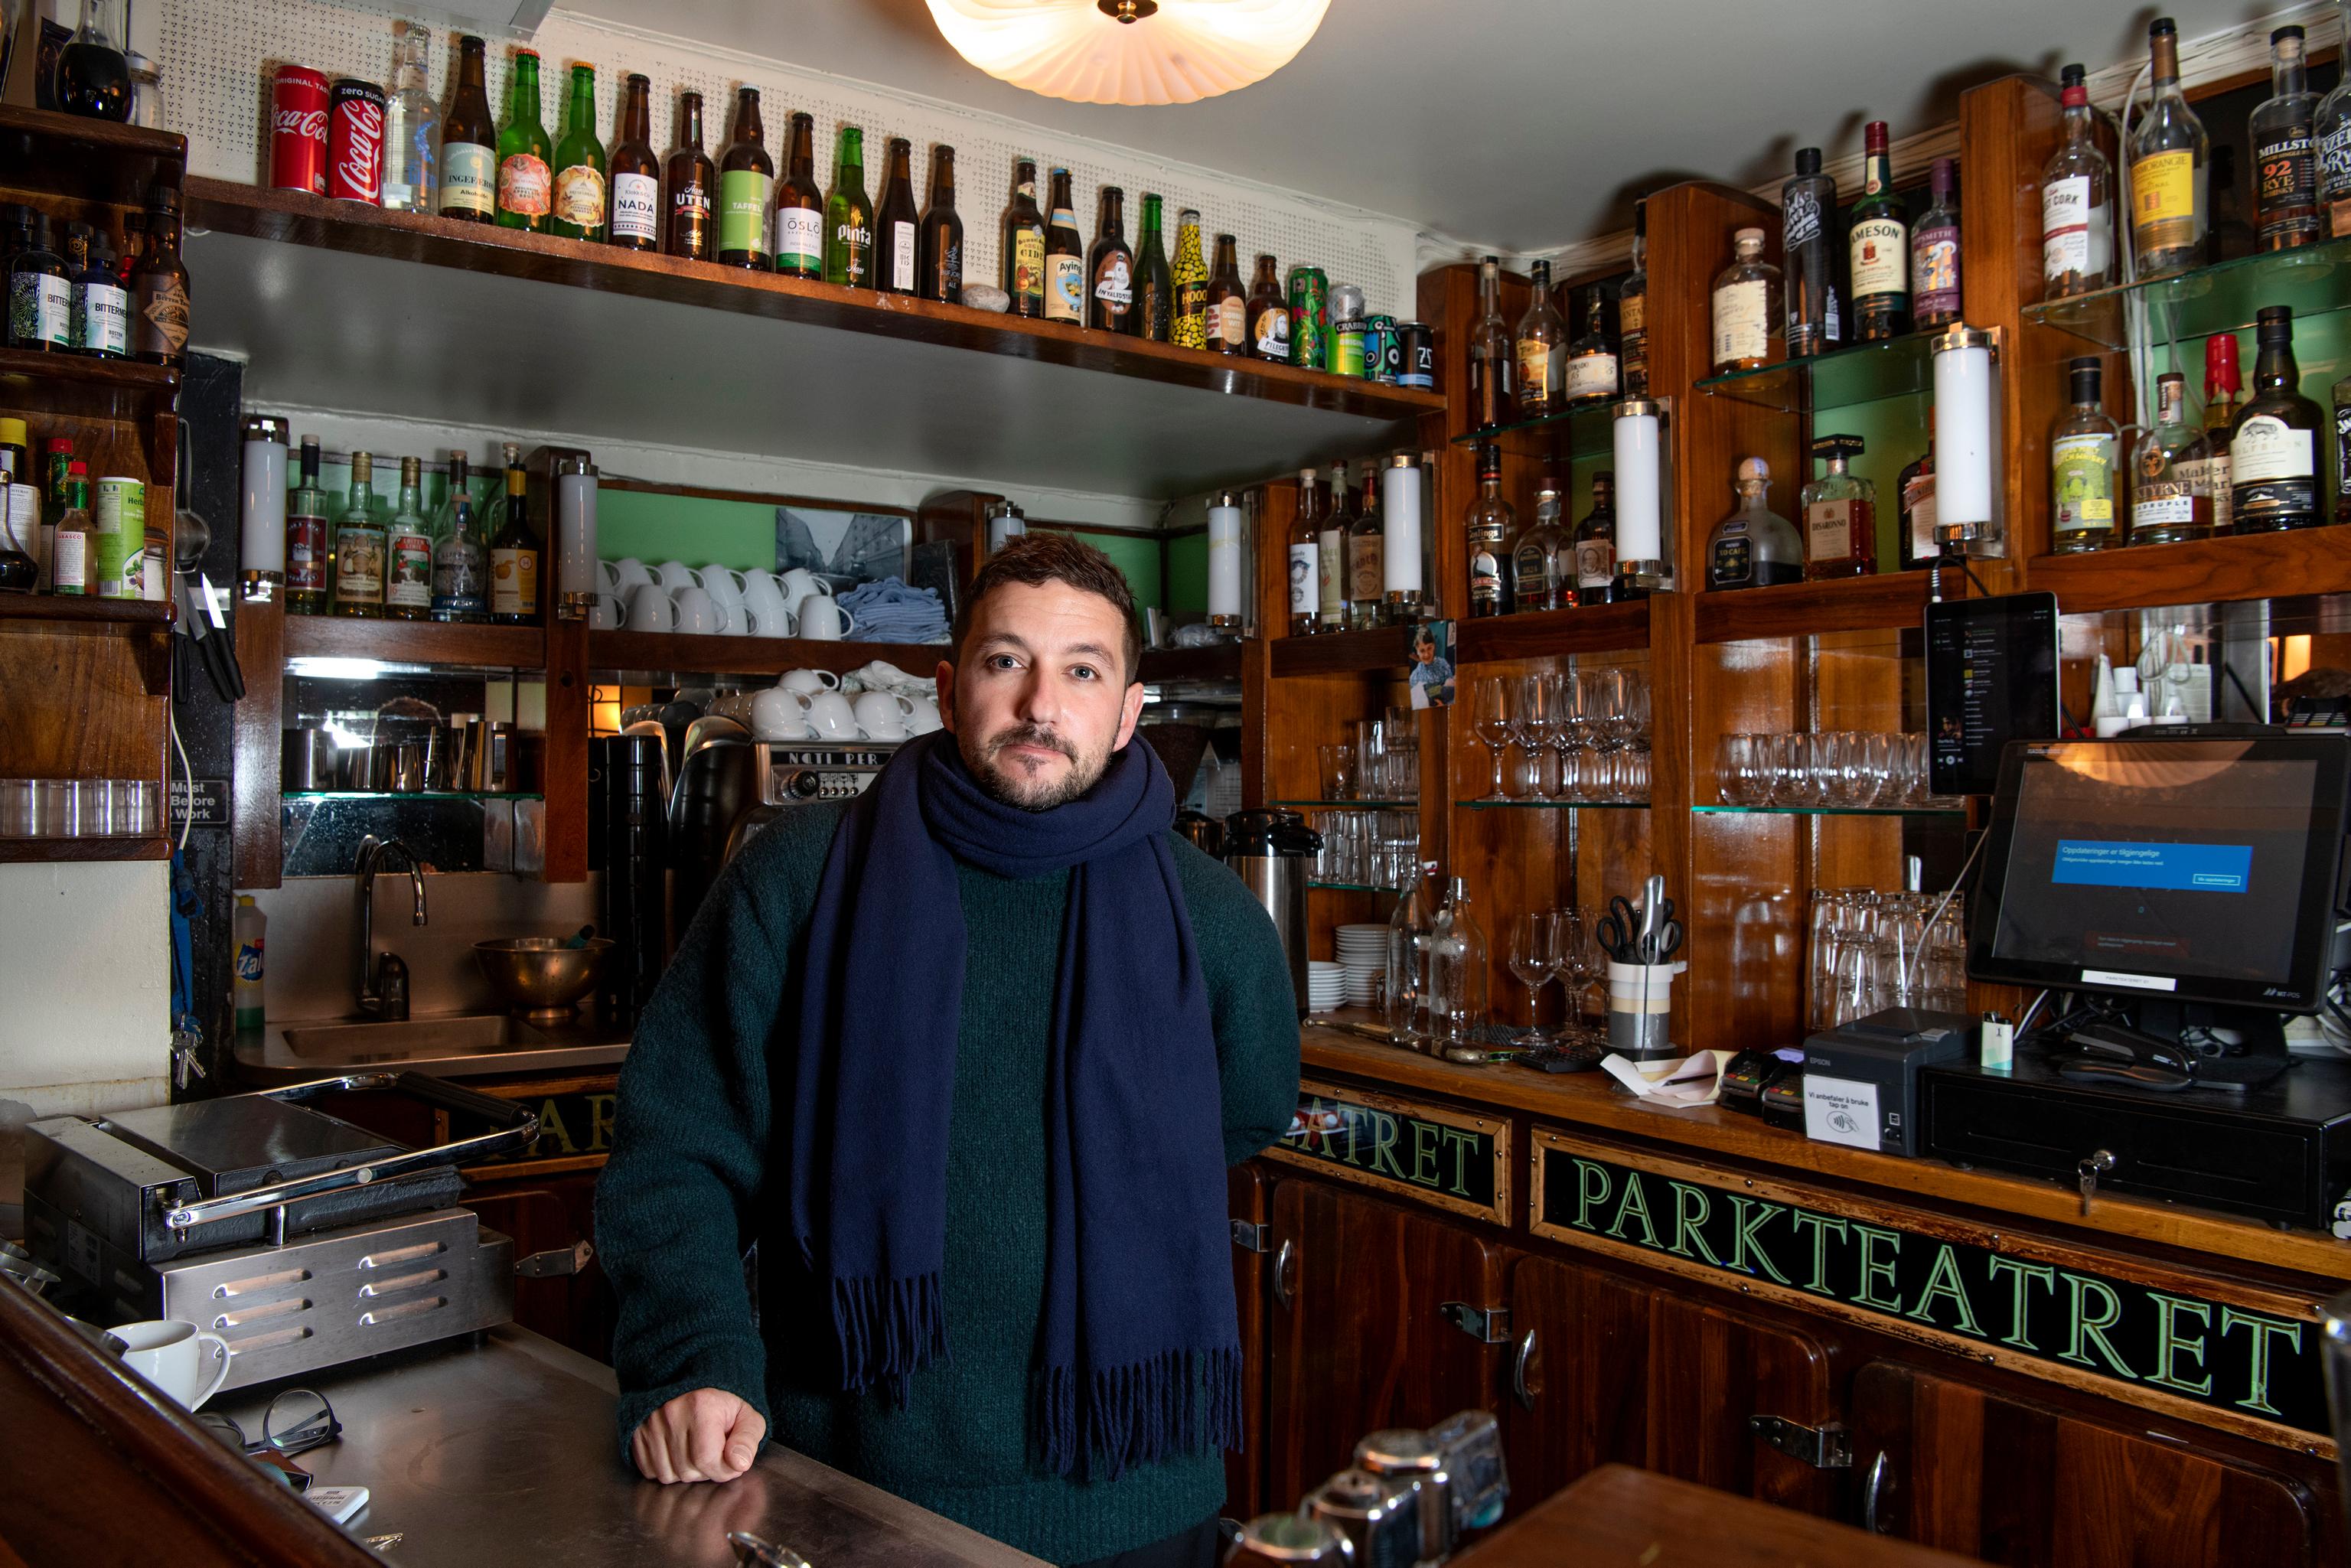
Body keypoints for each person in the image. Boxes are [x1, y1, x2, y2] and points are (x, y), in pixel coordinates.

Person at [597, 533, 1301, 1568]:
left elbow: (1248, 1109)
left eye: (1083, 670)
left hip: (1136, 1504)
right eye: (1004, 660)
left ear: (1129, 710)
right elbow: (673, 1154)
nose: (1039, 706)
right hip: (852, 1493)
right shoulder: (794, 880)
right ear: (944, 684)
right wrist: (690, 1356)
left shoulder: (1217, 923)